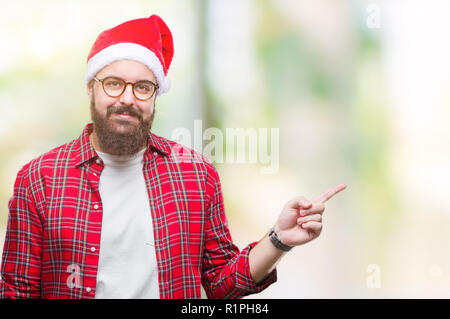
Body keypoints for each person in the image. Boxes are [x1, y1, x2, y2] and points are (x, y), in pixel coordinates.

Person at [0, 14, 346, 299]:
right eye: (113, 83)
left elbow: (221, 285)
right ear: (91, 86)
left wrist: (279, 240)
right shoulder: (40, 179)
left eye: (142, 87)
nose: (127, 98)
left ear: (155, 95)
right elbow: (17, 291)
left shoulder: (195, 174)